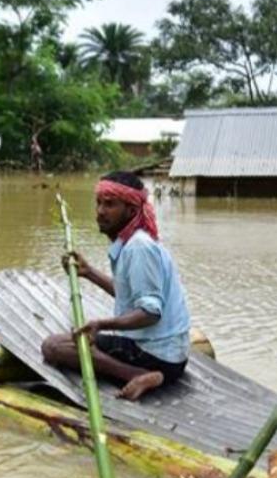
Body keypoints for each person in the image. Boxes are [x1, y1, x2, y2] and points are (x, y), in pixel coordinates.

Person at [41, 171, 192, 401]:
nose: (100, 212)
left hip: (158, 357)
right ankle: (149, 372)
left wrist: (101, 324)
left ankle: (142, 375)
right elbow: (129, 298)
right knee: (69, 342)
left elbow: (151, 313)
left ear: (131, 210)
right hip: (170, 355)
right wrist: (89, 272)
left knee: (53, 347)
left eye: (110, 205)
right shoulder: (132, 243)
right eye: (99, 203)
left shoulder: (138, 248)